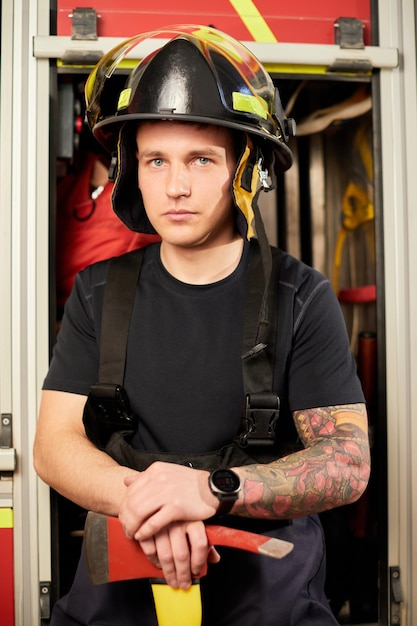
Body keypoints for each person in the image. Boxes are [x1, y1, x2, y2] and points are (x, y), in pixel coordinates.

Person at [33, 25, 371, 626]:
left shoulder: (302, 296)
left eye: (201, 159)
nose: (176, 186)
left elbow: (346, 461)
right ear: (131, 169)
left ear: (245, 171)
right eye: (155, 160)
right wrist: (151, 502)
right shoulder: (97, 292)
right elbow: (54, 446)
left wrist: (213, 490)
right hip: (119, 590)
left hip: (268, 594)